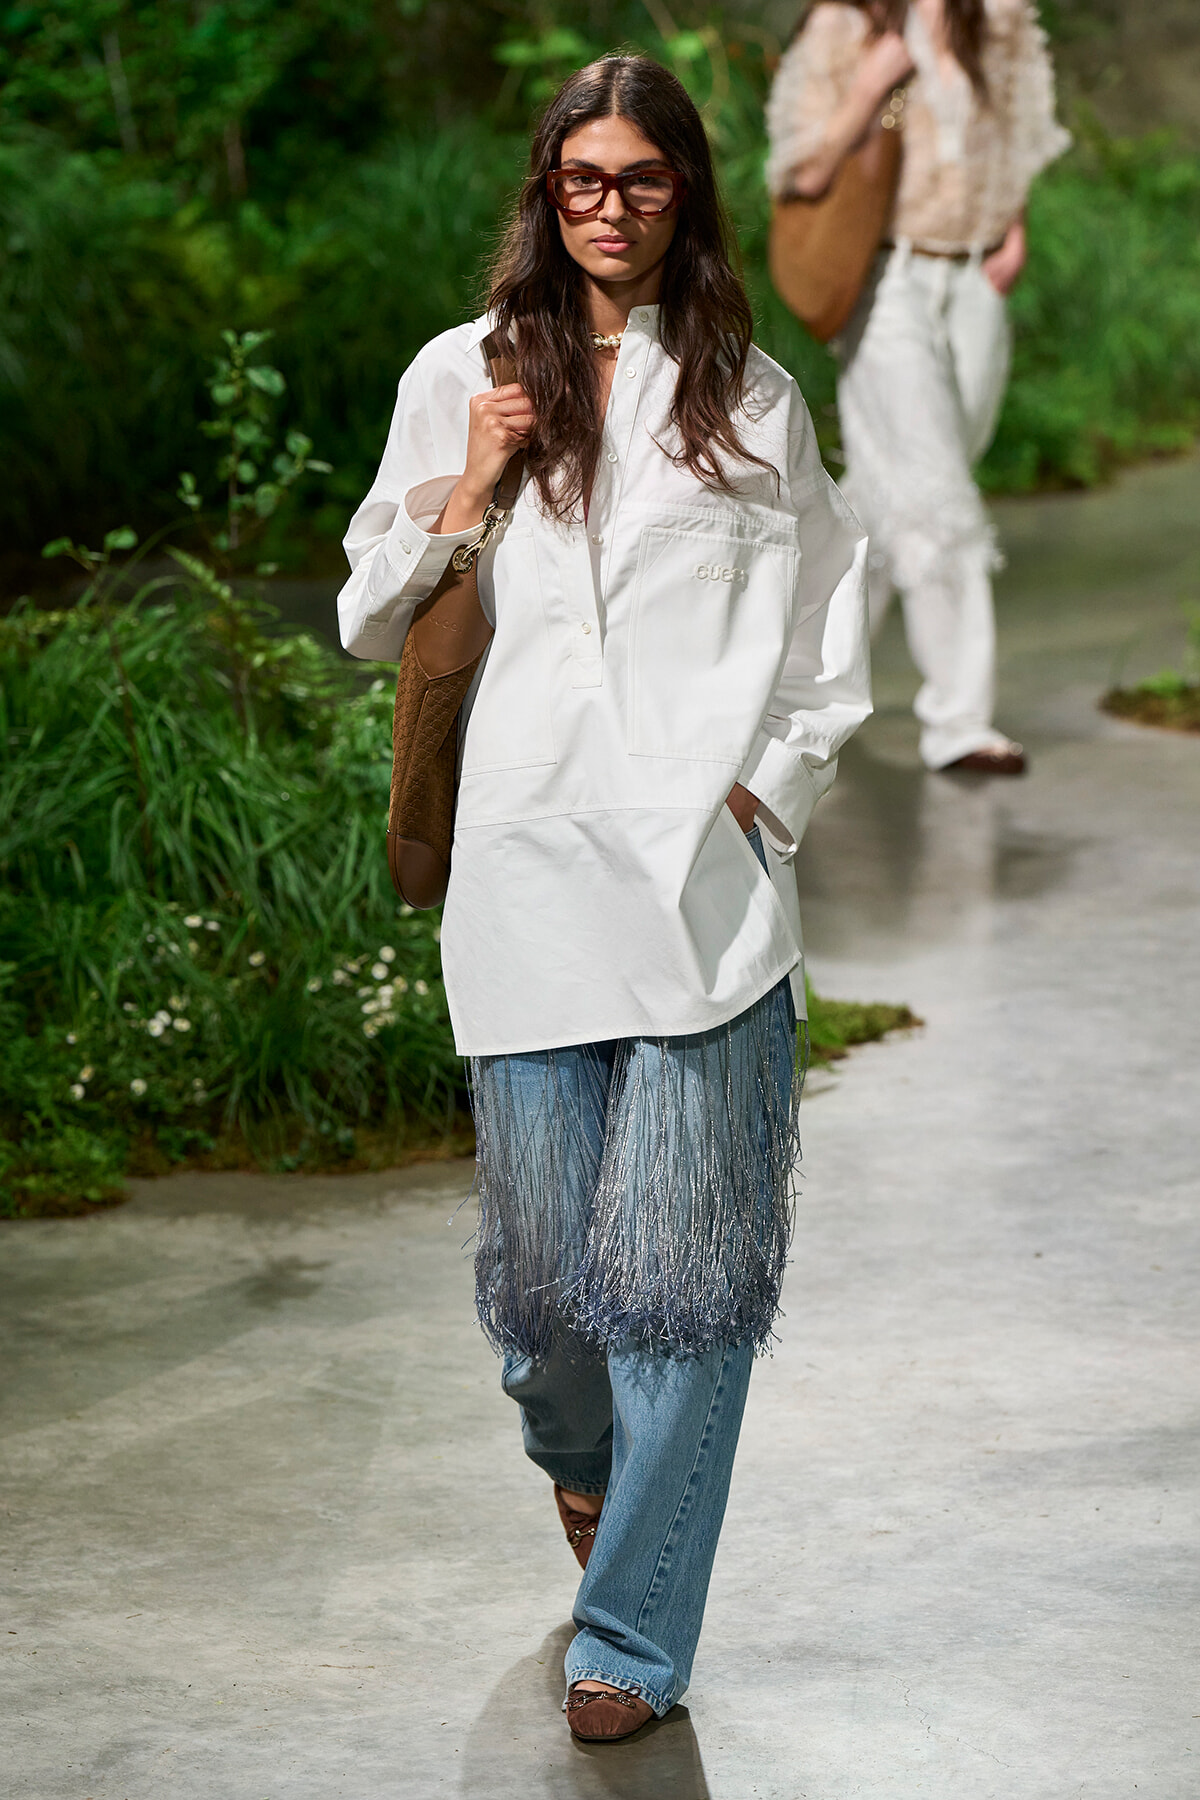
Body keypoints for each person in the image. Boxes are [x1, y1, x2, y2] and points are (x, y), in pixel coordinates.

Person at [338, 54, 870, 1741]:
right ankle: (586, 1472)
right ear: (545, 191)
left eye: (643, 178)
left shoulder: (756, 398)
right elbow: (366, 614)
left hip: (703, 906)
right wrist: (477, 481)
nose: (612, 206)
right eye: (583, 177)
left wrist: (762, 799)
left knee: (683, 1299)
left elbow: (829, 639)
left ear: (686, 194)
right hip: (520, 888)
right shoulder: (462, 377)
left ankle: (631, 1634)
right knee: (549, 1322)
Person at [766, 0, 1069, 774]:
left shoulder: (996, 20)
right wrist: (868, 90)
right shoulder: (848, 25)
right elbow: (799, 168)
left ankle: (799, 682)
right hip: (885, 280)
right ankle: (957, 723)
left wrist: (1017, 226)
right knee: (937, 498)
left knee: (886, 496)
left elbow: (1019, 137)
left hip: (975, 283)